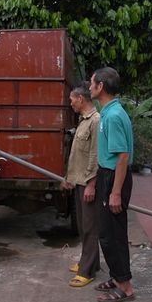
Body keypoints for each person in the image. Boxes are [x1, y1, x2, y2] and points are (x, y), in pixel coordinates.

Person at [89, 67, 135, 302]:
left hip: (114, 177)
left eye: (91, 83)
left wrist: (115, 192)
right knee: (107, 233)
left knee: (113, 235)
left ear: (101, 87)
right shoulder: (108, 112)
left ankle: (125, 287)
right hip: (107, 175)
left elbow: (123, 157)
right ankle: (117, 277)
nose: (89, 88)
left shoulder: (114, 116)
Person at [61, 82, 101, 288]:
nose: (70, 103)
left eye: (71, 99)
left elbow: (95, 156)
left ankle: (88, 271)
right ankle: (89, 262)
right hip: (79, 180)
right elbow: (77, 156)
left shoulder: (95, 121)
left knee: (90, 227)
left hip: (88, 182)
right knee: (83, 226)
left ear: (80, 99)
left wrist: (92, 184)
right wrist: (69, 177)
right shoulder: (83, 120)